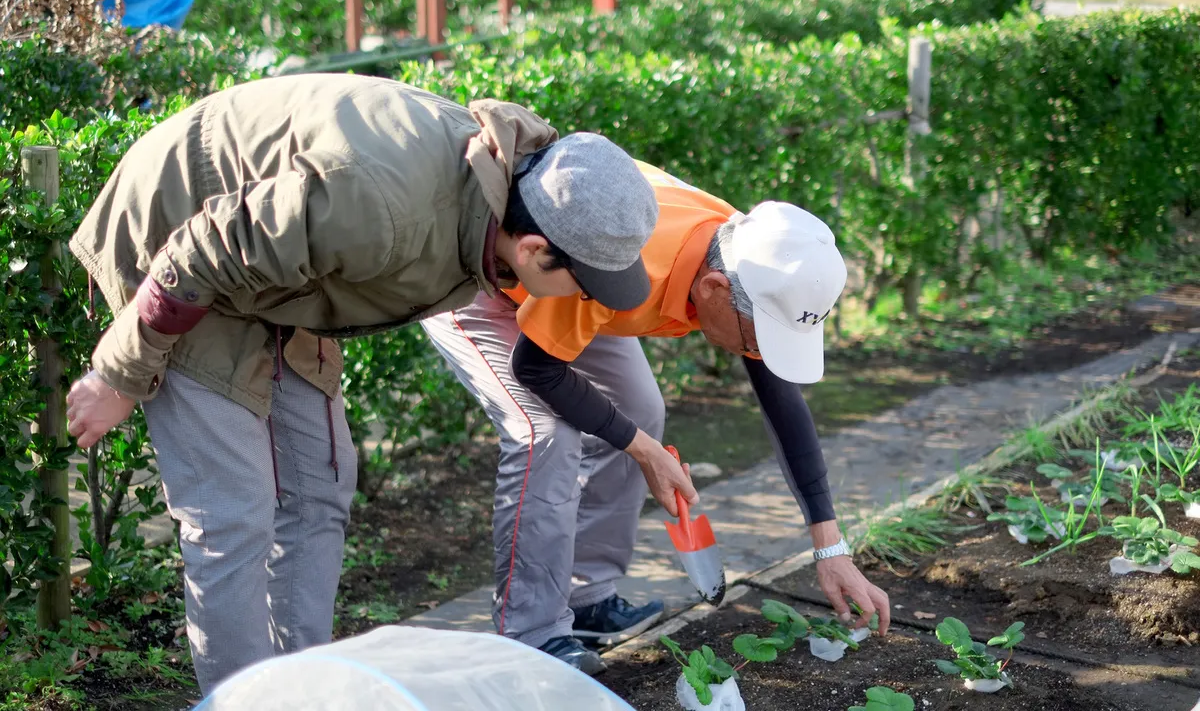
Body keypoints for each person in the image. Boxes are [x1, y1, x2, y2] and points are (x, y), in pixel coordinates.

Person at [63, 74, 663, 695]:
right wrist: (120, 372)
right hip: (176, 238)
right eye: (587, 284)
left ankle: (299, 692)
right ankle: (243, 702)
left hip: (277, 272)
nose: (591, 300)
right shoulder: (381, 208)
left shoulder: (506, 191)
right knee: (233, 513)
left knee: (320, 485)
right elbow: (199, 250)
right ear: (536, 249)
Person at [421, 160, 890, 675]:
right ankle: (533, 635)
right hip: (493, 282)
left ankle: (587, 599)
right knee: (546, 434)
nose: (759, 352)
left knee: (638, 411)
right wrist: (642, 450)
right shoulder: (641, 261)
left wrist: (830, 545)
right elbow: (536, 369)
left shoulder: (750, 258)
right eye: (759, 339)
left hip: (579, 292)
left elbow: (781, 399)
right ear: (712, 290)